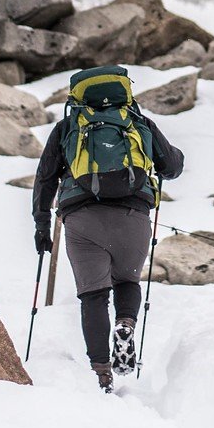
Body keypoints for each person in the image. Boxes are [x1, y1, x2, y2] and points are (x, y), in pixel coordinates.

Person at [31, 64, 185, 392]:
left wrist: (42, 226)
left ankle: (101, 374)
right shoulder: (138, 123)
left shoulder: (68, 127)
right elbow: (171, 168)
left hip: (82, 223)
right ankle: (126, 323)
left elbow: (44, 178)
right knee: (127, 280)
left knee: (93, 295)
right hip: (133, 219)